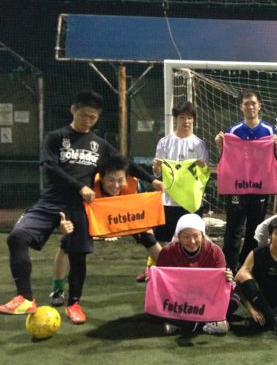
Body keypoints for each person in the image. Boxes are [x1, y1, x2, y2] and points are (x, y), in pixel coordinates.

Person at [0, 91, 162, 323]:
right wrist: (79, 186)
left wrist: (152, 180)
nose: (88, 121)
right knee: (16, 237)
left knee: (78, 255)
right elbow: (50, 167)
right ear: (73, 110)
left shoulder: (99, 145)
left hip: (79, 208)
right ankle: (25, 298)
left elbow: (125, 163)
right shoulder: (55, 137)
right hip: (50, 203)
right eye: (84, 115)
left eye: (93, 118)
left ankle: (74, 304)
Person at [49, 154, 163, 306]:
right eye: (111, 180)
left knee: (148, 238)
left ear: (127, 178)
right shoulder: (89, 188)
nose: (116, 185)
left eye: (120, 180)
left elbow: (142, 216)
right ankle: (58, 289)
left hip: (123, 212)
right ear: (101, 178)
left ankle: (172, 278)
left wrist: (144, 230)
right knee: (67, 244)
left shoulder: (134, 186)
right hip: (94, 216)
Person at [215, 89, 277, 271]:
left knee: (255, 230)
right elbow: (226, 159)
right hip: (238, 188)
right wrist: (220, 145)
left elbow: (275, 160)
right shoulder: (233, 131)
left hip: (260, 188)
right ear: (241, 107)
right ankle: (229, 269)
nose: (250, 107)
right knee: (234, 229)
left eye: (253, 103)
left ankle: (247, 268)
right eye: (246, 104)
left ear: (260, 106)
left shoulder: (270, 131)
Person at [156, 214, 233, 335]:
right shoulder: (167, 252)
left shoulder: (214, 251)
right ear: (178, 237)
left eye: (196, 236)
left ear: (202, 235)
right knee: (154, 306)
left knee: (234, 300)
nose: (191, 241)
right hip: (178, 298)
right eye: (186, 237)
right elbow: (161, 286)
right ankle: (206, 321)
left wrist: (227, 279)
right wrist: (153, 278)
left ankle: (180, 322)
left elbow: (220, 287)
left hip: (205, 297)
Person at [153, 101, 209, 243]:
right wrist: (157, 167)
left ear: (194, 120)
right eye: (182, 117)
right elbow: (157, 173)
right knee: (165, 241)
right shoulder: (164, 143)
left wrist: (202, 167)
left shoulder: (199, 144)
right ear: (175, 119)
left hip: (192, 203)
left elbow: (203, 176)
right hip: (169, 201)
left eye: (189, 117)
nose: (186, 121)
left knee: (192, 241)